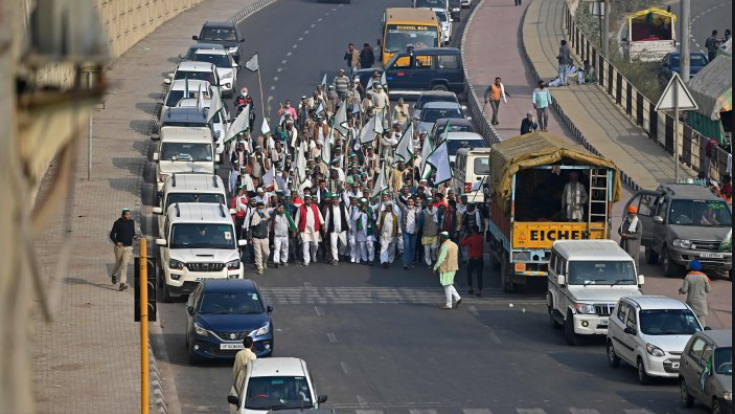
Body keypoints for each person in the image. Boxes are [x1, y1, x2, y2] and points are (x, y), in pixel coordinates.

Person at [109, 208, 137, 291]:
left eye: (129, 214)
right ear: (123, 215)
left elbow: (133, 233)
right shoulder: (117, 223)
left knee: (125, 264)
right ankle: (113, 274)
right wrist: (116, 242)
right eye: (127, 214)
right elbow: (112, 235)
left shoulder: (131, 222)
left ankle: (122, 283)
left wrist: (135, 237)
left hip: (128, 247)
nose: (129, 216)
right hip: (119, 247)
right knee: (118, 262)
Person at [433, 232, 462, 310]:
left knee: (446, 285)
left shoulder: (444, 246)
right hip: (453, 267)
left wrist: (435, 268)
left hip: (446, 268)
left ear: (443, 238)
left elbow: (441, 259)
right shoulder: (454, 244)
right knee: (448, 284)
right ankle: (457, 298)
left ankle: (448, 304)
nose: (439, 239)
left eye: (440, 237)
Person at [679, 260, 712, 326]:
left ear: (691, 267)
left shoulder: (688, 277)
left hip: (691, 301)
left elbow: (684, 290)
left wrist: (681, 290)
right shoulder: (704, 277)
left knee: (690, 320)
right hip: (702, 302)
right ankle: (701, 334)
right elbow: (708, 290)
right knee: (701, 321)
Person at [295, 195, 324, 266]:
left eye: (310, 199)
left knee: (315, 244)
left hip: (314, 229)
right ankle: (306, 260)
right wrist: (295, 229)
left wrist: (323, 224)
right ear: (304, 200)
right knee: (305, 245)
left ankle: (313, 256)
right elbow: (297, 219)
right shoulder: (301, 208)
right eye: (307, 200)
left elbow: (320, 216)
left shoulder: (315, 206)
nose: (309, 201)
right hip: (304, 230)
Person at [323, 195, 350, 265]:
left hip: (342, 229)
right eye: (333, 199)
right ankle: (335, 258)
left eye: (336, 199)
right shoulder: (330, 208)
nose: (335, 200)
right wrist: (325, 230)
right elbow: (327, 219)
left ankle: (341, 253)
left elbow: (347, 217)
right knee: (333, 244)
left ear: (338, 200)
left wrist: (350, 227)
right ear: (332, 200)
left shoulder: (342, 206)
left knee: (344, 244)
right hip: (333, 230)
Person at [249, 201, 272, 275]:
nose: (261, 209)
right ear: (257, 208)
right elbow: (250, 228)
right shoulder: (253, 216)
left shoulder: (267, 216)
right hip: (256, 238)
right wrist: (250, 238)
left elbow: (271, 221)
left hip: (265, 237)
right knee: (258, 254)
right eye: (259, 208)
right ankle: (260, 267)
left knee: (267, 253)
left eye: (262, 207)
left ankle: (264, 261)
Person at [377, 199, 401, 268]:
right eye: (387, 206)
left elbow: (398, 224)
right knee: (384, 248)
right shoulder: (382, 213)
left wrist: (399, 231)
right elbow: (378, 221)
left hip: (392, 235)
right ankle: (384, 261)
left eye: (390, 207)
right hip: (384, 234)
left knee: (391, 248)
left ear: (392, 207)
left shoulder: (395, 215)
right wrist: (378, 224)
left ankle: (390, 260)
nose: (388, 208)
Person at [461, 227, 485, 297]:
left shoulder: (471, 239)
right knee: (479, 275)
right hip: (480, 259)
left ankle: (470, 288)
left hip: (472, 259)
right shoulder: (481, 238)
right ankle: (479, 290)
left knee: (469, 273)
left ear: (473, 232)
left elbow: (462, 244)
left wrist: (466, 236)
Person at [619, 205, 643, 270]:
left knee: (634, 263)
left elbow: (638, 235)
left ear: (635, 214)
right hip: (624, 245)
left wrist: (628, 236)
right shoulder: (625, 221)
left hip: (633, 246)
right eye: (629, 214)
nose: (631, 216)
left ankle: (635, 277)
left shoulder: (638, 223)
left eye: (632, 215)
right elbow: (619, 230)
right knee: (623, 261)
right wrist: (622, 234)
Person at [397, 196, 419, 270]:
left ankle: (410, 262)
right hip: (406, 231)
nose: (410, 202)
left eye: (411, 201)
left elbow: (419, 221)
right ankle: (405, 263)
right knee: (406, 247)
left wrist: (417, 229)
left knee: (412, 248)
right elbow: (398, 202)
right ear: (407, 202)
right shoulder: (404, 208)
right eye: (408, 201)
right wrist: (394, 194)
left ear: (413, 202)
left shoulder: (417, 210)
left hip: (414, 232)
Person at [272, 203, 296, 268]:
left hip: (285, 235)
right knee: (277, 248)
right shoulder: (275, 215)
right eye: (280, 208)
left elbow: (291, 222)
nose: (281, 209)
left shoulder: (287, 214)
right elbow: (272, 218)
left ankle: (284, 260)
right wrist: (275, 210)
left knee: (285, 249)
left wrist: (293, 230)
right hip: (277, 236)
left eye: (282, 208)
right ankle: (276, 261)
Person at [420, 198, 440, 266]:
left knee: (434, 248)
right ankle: (429, 262)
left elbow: (439, 220)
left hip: (434, 233)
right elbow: (420, 222)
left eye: (431, 202)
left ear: (432, 203)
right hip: (425, 233)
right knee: (427, 250)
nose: (429, 203)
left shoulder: (437, 211)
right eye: (428, 202)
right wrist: (417, 229)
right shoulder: (423, 212)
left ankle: (433, 255)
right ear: (426, 203)